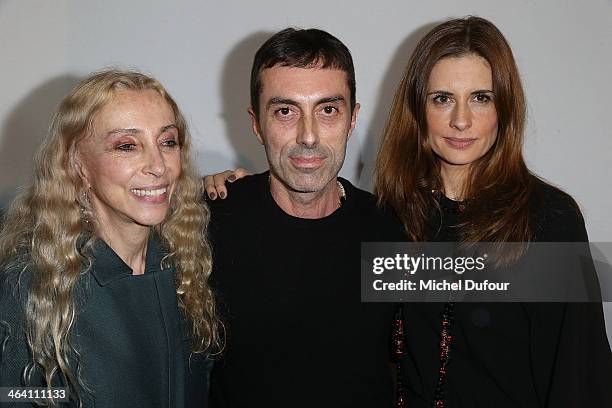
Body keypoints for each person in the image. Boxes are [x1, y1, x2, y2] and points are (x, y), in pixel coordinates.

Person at [375, 16, 612, 407]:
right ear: (418, 108)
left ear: (504, 107)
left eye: (480, 98)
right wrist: (245, 190)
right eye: (442, 98)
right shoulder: (393, 213)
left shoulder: (549, 219)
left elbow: (578, 376)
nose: (461, 120)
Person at [206, 28, 405, 407]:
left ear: (352, 119)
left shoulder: (391, 229)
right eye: (285, 111)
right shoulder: (208, 221)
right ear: (255, 123)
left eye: (328, 109)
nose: (308, 136)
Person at [0, 70, 221, 407]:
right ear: (79, 165)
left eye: (168, 142)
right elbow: (14, 396)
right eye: (127, 146)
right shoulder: (31, 284)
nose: (158, 166)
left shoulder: (185, 268)